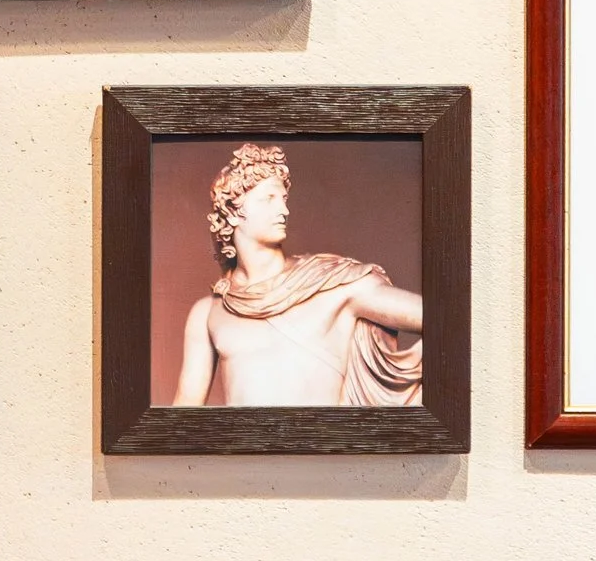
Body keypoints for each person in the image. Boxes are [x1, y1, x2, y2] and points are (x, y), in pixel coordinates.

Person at [173, 141, 423, 410]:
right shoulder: (208, 313)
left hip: (325, 448)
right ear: (233, 213)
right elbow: (182, 421)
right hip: (243, 450)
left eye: (284, 199)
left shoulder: (333, 285)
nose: (284, 211)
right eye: (269, 198)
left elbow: (448, 322)